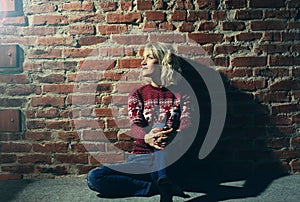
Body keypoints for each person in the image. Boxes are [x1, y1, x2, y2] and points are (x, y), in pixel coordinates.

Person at [87, 42, 193, 202]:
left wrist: (171, 138)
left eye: (149, 58)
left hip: (173, 160)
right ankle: (160, 186)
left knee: (159, 126)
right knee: (95, 177)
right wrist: (146, 137)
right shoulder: (138, 93)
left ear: (163, 62)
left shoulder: (182, 94)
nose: (142, 63)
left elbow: (187, 127)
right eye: (143, 58)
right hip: (142, 160)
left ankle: (163, 178)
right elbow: (135, 126)